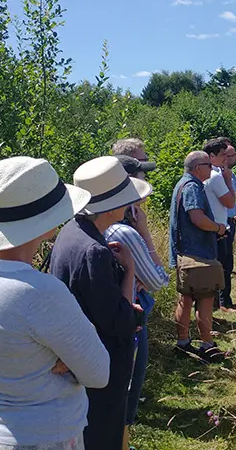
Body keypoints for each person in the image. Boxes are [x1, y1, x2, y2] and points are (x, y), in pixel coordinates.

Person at [0, 156, 109, 450]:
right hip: (43, 437)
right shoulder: (41, 291)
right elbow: (99, 373)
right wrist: (70, 356)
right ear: (46, 225)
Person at [50, 156, 152, 450]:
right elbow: (118, 322)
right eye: (125, 200)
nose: (129, 207)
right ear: (110, 206)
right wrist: (130, 272)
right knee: (103, 435)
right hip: (100, 368)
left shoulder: (71, 232)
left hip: (78, 364)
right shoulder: (95, 251)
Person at [107, 149, 168, 446]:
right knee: (128, 387)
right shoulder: (125, 231)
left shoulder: (98, 225)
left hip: (116, 314)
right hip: (129, 315)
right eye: (142, 175)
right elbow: (159, 279)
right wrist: (144, 231)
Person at [170, 151, 227, 362]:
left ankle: (183, 343)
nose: (211, 169)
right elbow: (196, 217)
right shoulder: (193, 186)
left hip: (186, 254)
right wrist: (218, 228)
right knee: (204, 299)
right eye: (208, 165)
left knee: (185, 299)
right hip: (198, 254)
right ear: (197, 168)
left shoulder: (183, 184)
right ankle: (207, 345)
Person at [218, 139, 236, 310]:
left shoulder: (231, 175)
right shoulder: (220, 176)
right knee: (222, 262)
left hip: (230, 222)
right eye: (232, 155)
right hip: (222, 224)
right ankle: (221, 301)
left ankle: (226, 299)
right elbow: (228, 202)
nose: (235, 157)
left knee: (228, 262)